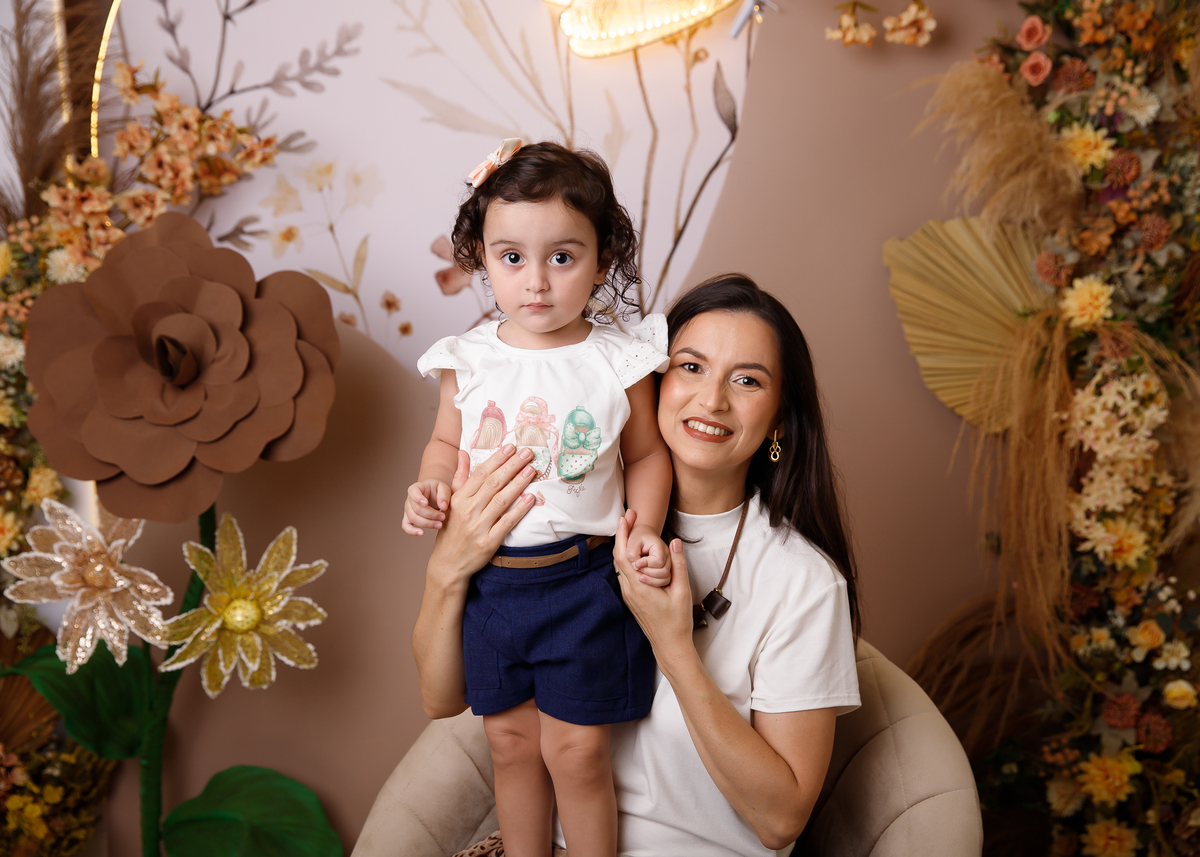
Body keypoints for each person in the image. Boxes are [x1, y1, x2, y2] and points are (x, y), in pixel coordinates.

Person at [413, 274, 863, 857]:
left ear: (779, 417)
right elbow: (441, 700)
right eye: (691, 367)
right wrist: (447, 568)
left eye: (747, 380)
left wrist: (673, 645)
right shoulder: (564, 523)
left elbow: (781, 822)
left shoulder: (803, 581)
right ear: (649, 380)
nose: (712, 400)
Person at [403, 139, 674, 857]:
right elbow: (444, 445)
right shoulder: (468, 359)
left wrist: (642, 529)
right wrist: (432, 485)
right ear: (482, 259)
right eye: (512, 258)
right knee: (511, 744)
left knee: (578, 753)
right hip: (492, 586)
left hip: (584, 582)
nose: (537, 282)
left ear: (602, 260)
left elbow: (648, 454)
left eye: (562, 257)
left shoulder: (618, 359)